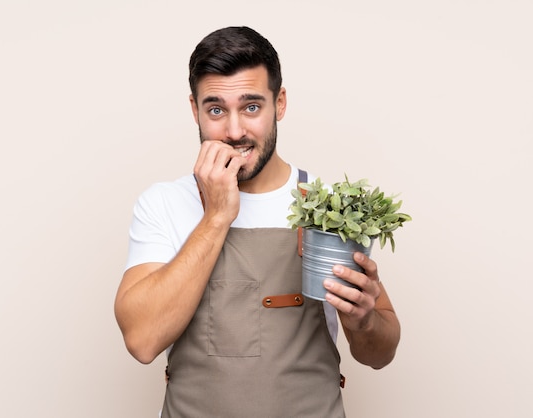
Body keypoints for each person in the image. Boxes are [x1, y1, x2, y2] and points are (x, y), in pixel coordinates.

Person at [114, 26, 401, 417]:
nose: (235, 132)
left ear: (279, 103)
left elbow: (380, 354)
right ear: (195, 109)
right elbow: (142, 341)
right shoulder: (163, 204)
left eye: (251, 107)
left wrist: (365, 321)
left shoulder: (328, 207)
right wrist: (216, 216)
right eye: (216, 109)